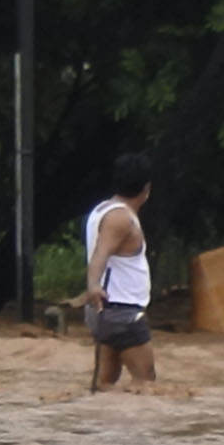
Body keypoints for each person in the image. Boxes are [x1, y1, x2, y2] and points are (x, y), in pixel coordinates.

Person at [83, 151, 158, 389]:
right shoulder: (121, 219)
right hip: (121, 311)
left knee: (105, 382)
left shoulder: (102, 210)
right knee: (146, 383)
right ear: (147, 188)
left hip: (108, 311)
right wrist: (93, 285)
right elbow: (100, 255)